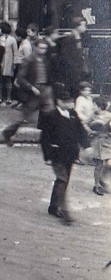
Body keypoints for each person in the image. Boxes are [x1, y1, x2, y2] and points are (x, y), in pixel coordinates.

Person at [38, 85, 87, 223]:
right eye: (66, 101)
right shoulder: (51, 116)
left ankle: (53, 206)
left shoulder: (73, 114)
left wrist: (86, 144)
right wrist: (47, 156)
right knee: (62, 180)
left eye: (70, 101)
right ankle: (63, 211)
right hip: (57, 154)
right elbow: (44, 137)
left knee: (64, 180)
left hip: (70, 154)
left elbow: (81, 131)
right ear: (59, 102)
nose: (69, 104)